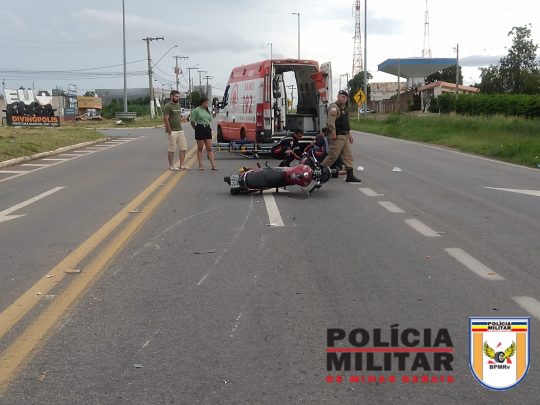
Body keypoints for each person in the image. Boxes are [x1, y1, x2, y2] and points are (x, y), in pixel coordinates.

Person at [321, 90, 362, 183]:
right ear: (338, 97)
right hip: (338, 136)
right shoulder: (334, 107)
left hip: (345, 136)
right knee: (333, 155)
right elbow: (331, 122)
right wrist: (333, 133)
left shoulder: (344, 108)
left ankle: (350, 175)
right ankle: (320, 170)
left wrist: (349, 134)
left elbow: (345, 123)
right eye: (343, 97)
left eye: (346, 97)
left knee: (348, 156)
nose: (345, 99)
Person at [163, 90, 189, 171]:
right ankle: (171, 166)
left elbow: (178, 116)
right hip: (172, 131)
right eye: (176, 96)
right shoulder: (167, 106)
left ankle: (182, 165)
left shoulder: (178, 105)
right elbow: (165, 119)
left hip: (180, 129)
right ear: (171, 96)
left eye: (179, 96)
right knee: (172, 149)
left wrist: (183, 119)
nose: (178, 98)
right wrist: (169, 131)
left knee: (183, 147)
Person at [190, 96, 217, 170]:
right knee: (200, 148)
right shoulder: (196, 110)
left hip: (207, 129)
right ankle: (201, 165)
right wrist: (196, 129)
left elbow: (210, 119)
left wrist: (214, 113)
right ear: (202, 103)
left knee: (209, 148)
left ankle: (213, 165)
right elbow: (192, 121)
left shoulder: (207, 110)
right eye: (206, 103)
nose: (207, 104)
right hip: (200, 128)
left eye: (208, 103)